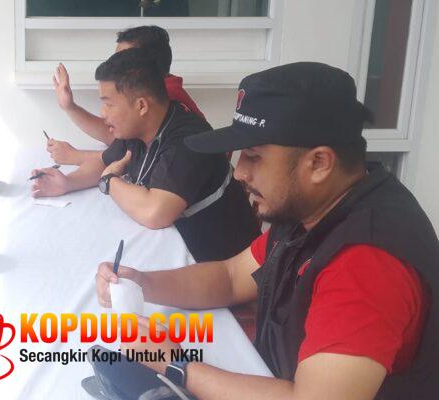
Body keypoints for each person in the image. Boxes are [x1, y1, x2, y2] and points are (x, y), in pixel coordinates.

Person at [95, 62, 438, 399]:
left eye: (254, 156)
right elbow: (231, 277)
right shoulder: (313, 206)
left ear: (319, 163)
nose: (239, 172)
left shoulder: (367, 263)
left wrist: (178, 366)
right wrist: (141, 283)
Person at [34, 48, 259, 262]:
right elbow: (104, 163)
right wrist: (67, 183)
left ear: (141, 106)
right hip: (175, 248)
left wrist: (109, 181)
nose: (102, 113)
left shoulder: (188, 140)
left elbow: (155, 212)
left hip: (221, 265)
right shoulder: (137, 129)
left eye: (108, 104)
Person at [49, 25, 205, 166]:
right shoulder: (163, 86)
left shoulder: (163, 98)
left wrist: (75, 156)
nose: (116, 63)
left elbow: (123, 149)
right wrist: (69, 107)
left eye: (125, 58)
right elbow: (119, 140)